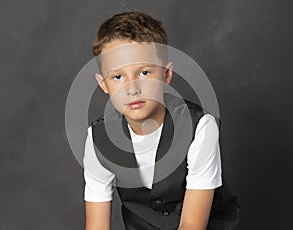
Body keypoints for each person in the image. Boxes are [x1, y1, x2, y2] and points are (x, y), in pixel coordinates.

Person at [83, 11, 239, 230]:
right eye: (118, 77)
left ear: (166, 75)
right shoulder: (99, 138)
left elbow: (192, 225)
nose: (132, 89)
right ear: (103, 84)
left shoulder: (200, 127)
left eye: (144, 72)